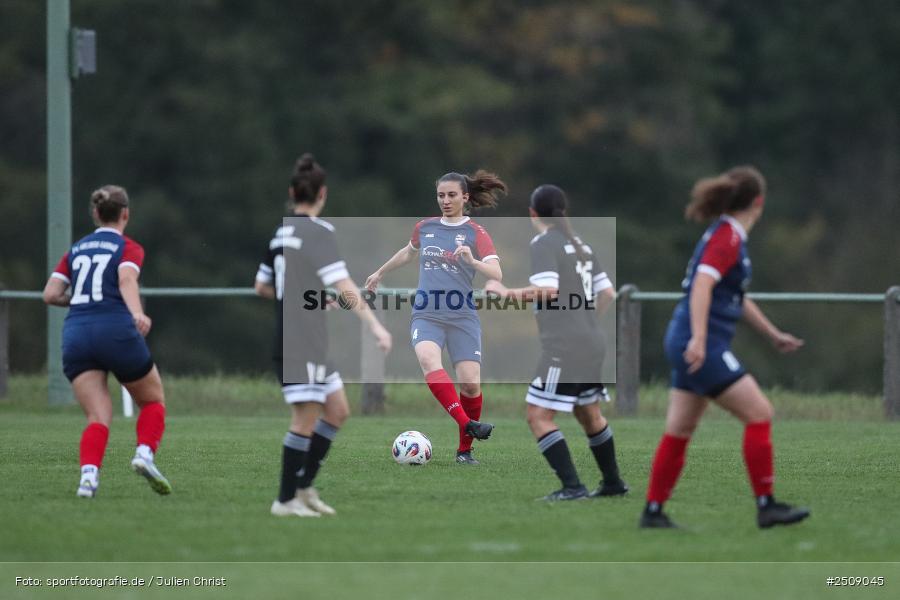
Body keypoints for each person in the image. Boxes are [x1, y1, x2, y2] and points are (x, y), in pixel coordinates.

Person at [640, 166, 810, 529]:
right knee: (760, 412)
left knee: (679, 429)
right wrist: (700, 339)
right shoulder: (728, 238)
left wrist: (772, 333)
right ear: (758, 202)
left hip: (684, 338)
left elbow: (734, 296)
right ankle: (767, 506)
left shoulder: (726, 235)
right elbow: (702, 284)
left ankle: (653, 512)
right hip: (700, 342)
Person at [256, 153, 391, 518]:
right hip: (300, 342)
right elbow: (345, 284)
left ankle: (304, 488)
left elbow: (262, 286)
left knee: (337, 410)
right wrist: (375, 325)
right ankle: (285, 500)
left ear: (292, 192)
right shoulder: (320, 232)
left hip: (304, 339)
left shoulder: (282, 231)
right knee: (304, 419)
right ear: (322, 194)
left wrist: (310, 296)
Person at [484, 184, 627, 500]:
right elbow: (607, 295)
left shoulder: (544, 243)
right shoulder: (582, 246)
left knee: (538, 416)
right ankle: (613, 483)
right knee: (588, 413)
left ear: (533, 214)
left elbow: (548, 291)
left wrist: (507, 293)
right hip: (591, 340)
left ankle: (573, 487)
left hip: (566, 345)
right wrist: (586, 322)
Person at [365, 171, 504, 464]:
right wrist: (379, 272)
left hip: (462, 316)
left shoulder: (476, 233)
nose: (446, 200)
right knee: (429, 360)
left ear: (465, 197)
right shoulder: (425, 227)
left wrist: (473, 261)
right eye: (441, 195)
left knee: (470, 385)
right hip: (427, 312)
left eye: (452, 195)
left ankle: (465, 451)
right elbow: (408, 252)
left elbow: (496, 273)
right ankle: (468, 425)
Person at [42, 185, 171, 498]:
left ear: (95, 214)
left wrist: (81, 301)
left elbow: (50, 294)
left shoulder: (75, 250)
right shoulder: (128, 247)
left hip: (76, 335)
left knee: (98, 416)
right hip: (114, 329)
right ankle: (143, 454)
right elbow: (126, 279)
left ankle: (88, 478)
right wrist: (137, 312)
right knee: (152, 401)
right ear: (125, 214)